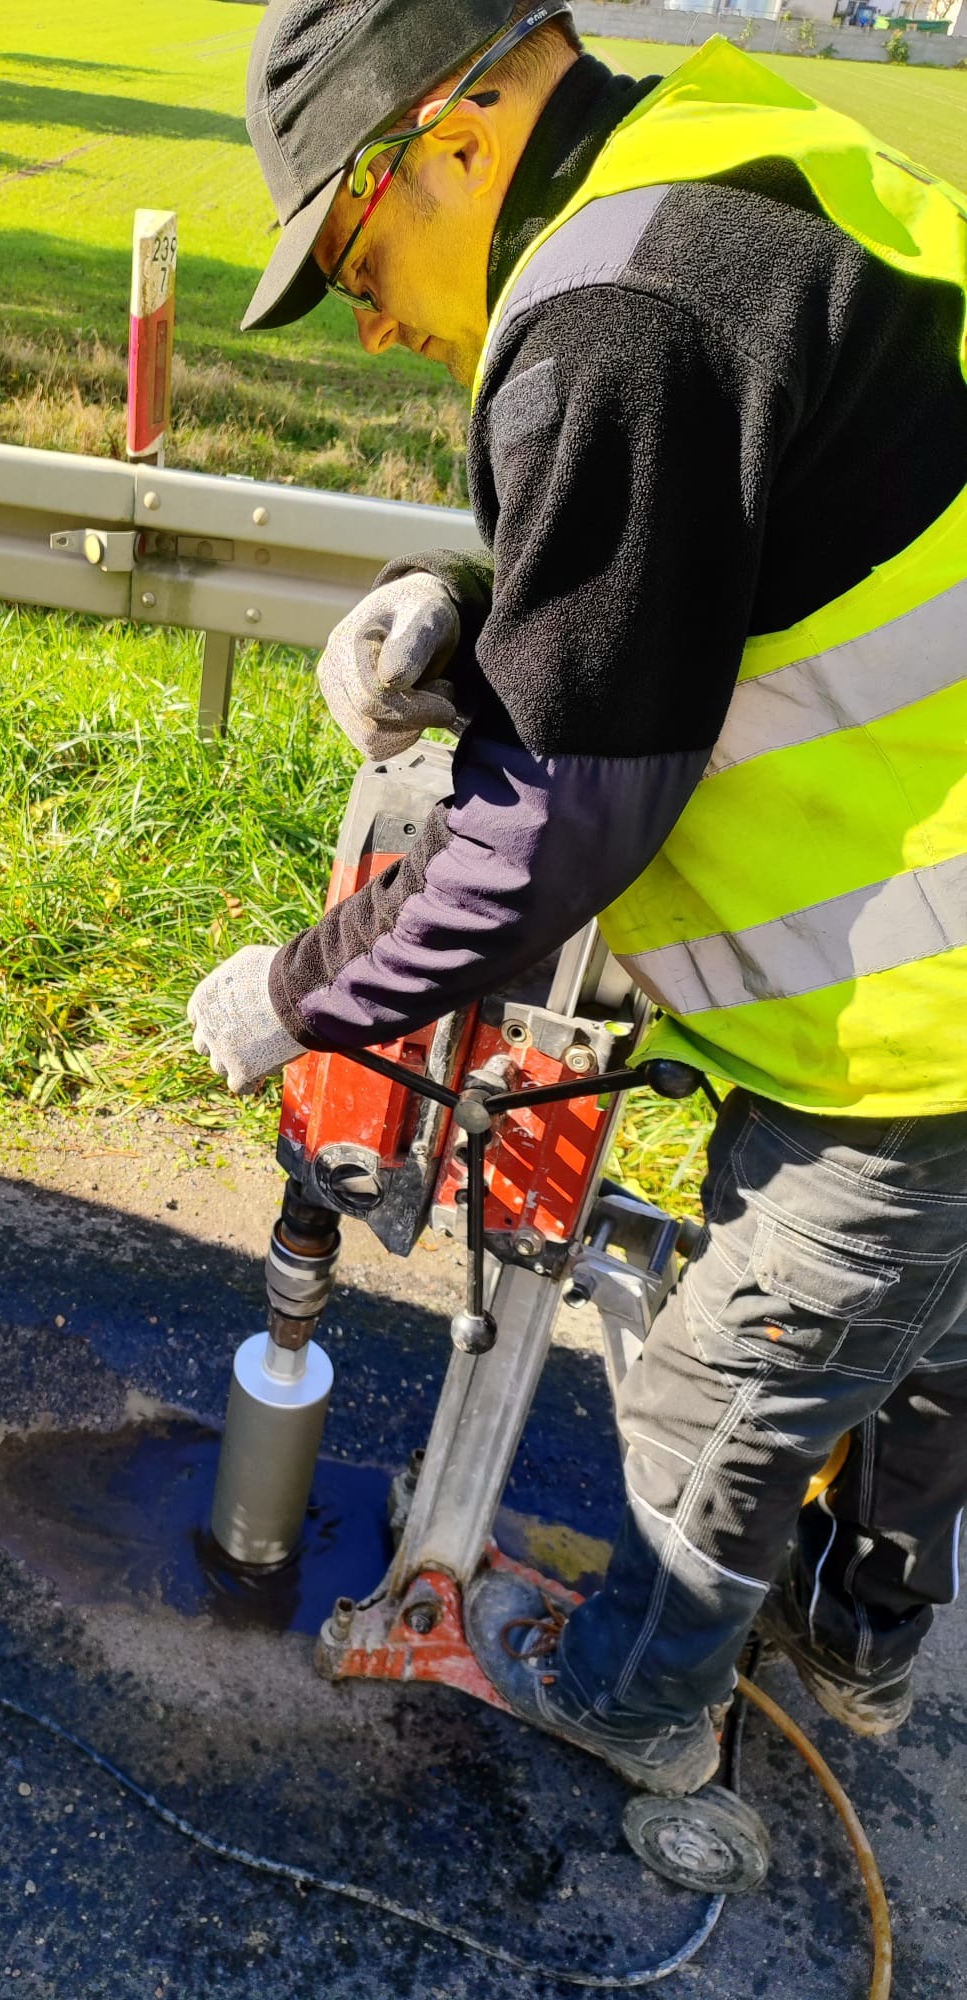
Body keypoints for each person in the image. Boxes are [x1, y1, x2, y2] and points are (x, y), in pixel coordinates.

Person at [186, 0, 967, 1796]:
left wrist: (302, 991)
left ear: (459, 137)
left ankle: (640, 1700)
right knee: (926, 1342)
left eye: (357, 247)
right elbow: (765, 533)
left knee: (725, 1389)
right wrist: (483, 622)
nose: (372, 316)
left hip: (916, 1018)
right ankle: (858, 1642)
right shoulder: (726, 164)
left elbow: (553, 834)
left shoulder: (618, 309)